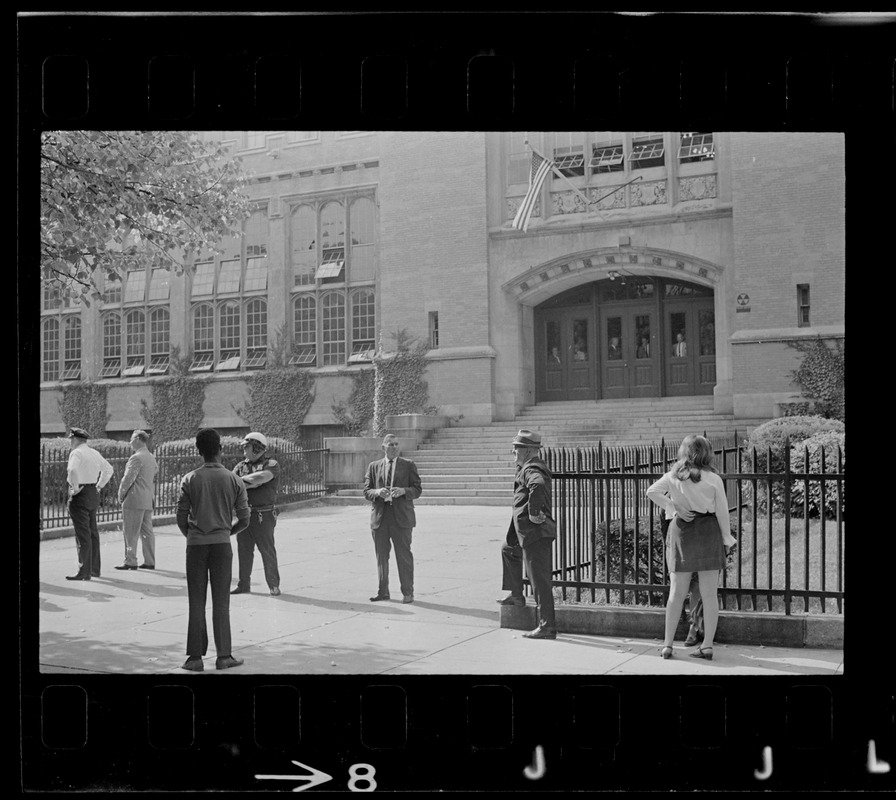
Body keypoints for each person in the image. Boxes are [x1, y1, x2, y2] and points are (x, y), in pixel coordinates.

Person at [647, 434, 736, 661]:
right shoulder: (713, 479)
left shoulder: (673, 476)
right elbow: (722, 512)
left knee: (676, 593)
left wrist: (672, 505)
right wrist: (727, 539)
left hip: (682, 531)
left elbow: (651, 492)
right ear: (706, 453)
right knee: (709, 594)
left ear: (684, 452)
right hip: (708, 531)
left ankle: (667, 645)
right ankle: (706, 646)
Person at [176, 428, 250, 671]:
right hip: (221, 546)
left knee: (196, 602)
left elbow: (181, 516)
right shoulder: (233, 479)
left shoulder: (190, 479)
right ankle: (224, 656)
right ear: (220, 449)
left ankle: (195, 658)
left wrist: (193, 534)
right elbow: (245, 519)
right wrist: (225, 533)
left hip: (195, 546)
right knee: (221, 602)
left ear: (199, 451)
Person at [498, 429, 557, 640]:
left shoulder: (532, 468)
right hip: (524, 531)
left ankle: (547, 627)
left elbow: (537, 485)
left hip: (536, 533)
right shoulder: (524, 466)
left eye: (517, 448)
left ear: (530, 450)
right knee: (507, 549)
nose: (513, 451)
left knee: (540, 581)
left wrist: (533, 513)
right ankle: (516, 596)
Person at [362, 434, 422, 604]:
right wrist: (377, 492)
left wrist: (404, 491)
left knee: (403, 555)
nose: (394, 447)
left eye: (396, 444)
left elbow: (417, 489)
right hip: (381, 517)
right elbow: (366, 491)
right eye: (390, 445)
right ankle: (383, 591)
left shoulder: (408, 465)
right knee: (381, 556)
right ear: (383, 447)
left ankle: (408, 592)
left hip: (401, 517)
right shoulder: (374, 467)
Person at [231, 432, 282, 596]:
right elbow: (232, 484)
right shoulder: (240, 466)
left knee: (267, 550)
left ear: (257, 447)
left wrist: (243, 482)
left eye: (247, 446)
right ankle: (243, 584)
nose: (244, 450)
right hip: (245, 514)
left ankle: (273, 585)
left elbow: (262, 477)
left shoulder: (271, 464)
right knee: (243, 551)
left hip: (263, 515)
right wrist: (248, 483)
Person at [65, 427, 114, 581]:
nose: (70, 442)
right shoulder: (94, 453)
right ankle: (94, 569)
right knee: (92, 532)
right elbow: (109, 469)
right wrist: (99, 485)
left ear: (75, 440)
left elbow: (72, 470)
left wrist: (75, 488)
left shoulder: (77, 452)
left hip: (81, 494)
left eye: (71, 440)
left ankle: (83, 571)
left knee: (82, 535)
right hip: (92, 492)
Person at [115, 429, 158, 571]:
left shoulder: (136, 457)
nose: (130, 442)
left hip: (134, 499)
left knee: (130, 532)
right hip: (147, 499)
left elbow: (127, 479)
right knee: (147, 532)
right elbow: (154, 472)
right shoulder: (151, 457)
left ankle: (130, 560)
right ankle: (150, 560)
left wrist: (120, 495)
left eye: (132, 439)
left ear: (139, 439)